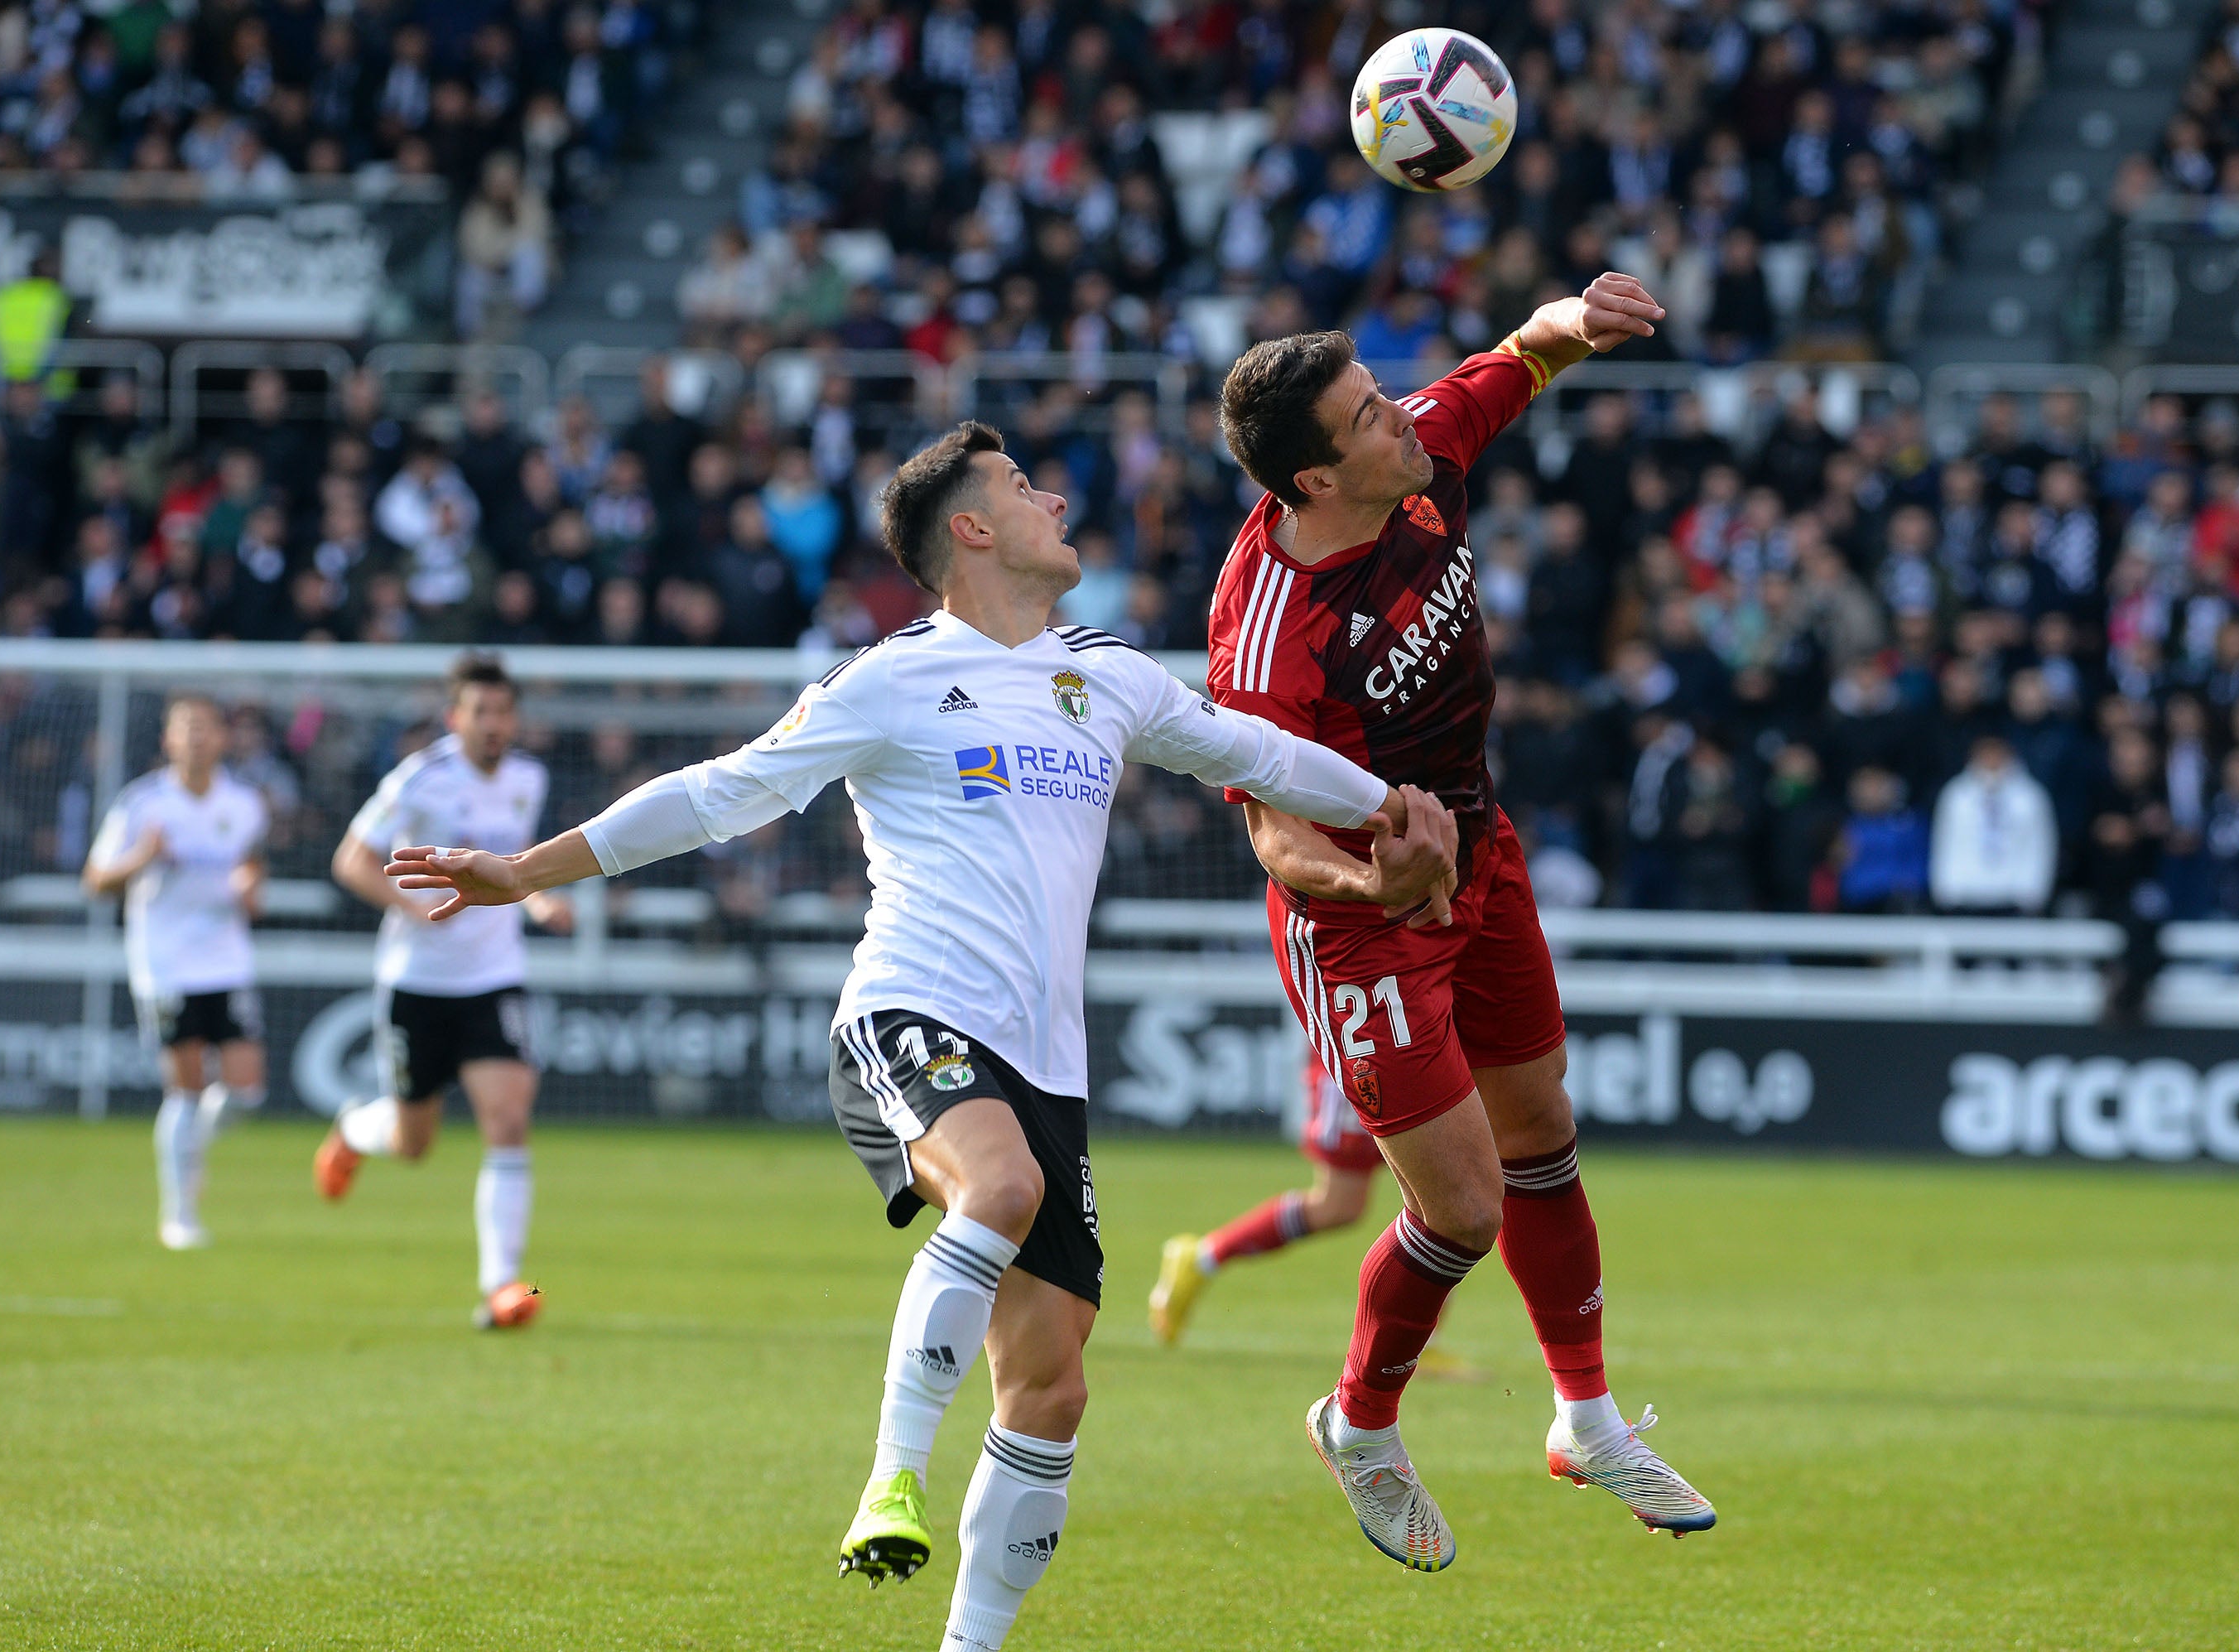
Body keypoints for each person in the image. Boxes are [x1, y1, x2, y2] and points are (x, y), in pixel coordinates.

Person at [378, 421, 1456, 1650]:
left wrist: (1396, 810)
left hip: (1046, 1059)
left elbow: (1253, 749)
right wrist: (525, 869)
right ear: (973, 529)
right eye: (1019, 484)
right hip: (910, 1007)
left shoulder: (1105, 672)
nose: (1055, 493)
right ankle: (892, 1476)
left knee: (1051, 1383)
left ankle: (966, 1643)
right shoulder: (889, 676)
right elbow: (721, 790)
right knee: (995, 1185)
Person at [1206, 272, 1716, 1573]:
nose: (1401, 420)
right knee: (1467, 1207)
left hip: (1480, 850)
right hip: (1364, 921)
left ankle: (1586, 1419)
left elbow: (1519, 355)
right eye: (1369, 417)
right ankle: (1360, 1421)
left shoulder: (1412, 456)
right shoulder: (1270, 638)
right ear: (1316, 482)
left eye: (1382, 396)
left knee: (1544, 1130)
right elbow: (1274, 838)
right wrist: (1382, 884)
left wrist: (1576, 318)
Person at [315, 654, 570, 1331]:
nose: (493, 725)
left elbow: (515, 867)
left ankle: (501, 1287)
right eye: (479, 712)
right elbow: (351, 859)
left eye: (503, 711)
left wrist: (541, 907)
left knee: (509, 1117)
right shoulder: (418, 779)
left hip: (493, 977)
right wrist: (406, 905)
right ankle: (351, 1130)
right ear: (455, 717)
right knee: (412, 1141)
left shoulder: (527, 779)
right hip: (417, 982)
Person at [1147, 1057, 1473, 1380]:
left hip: (1417, 1054)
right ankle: (1202, 1257)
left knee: (1444, 1196)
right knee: (1339, 1205)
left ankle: (1421, 1345)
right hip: (1359, 1055)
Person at [81, 696, 269, 1251]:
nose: (195, 738)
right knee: (185, 1087)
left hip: (227, 958)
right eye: (185, 728)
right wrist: (142, 857)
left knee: (247, 1090)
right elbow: (96, 880)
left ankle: (192, 1152)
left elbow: (252, 864)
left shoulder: (244, 803)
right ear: (167, 740)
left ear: (222, 738)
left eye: (205, 728)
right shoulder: (142, 804)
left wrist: (250, 887)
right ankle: (179, 1212)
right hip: (164, 961)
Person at [1928, 734, 2059, 916]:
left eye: (1996, 753)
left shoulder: (2030, 796)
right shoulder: (1956, 794)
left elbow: (2040, 845)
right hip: (1965, 896)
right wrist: (1945, 890)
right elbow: (1944, 842)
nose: (1991, 759)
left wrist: (2035, 891)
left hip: (2015, 897)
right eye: (1985, 753)